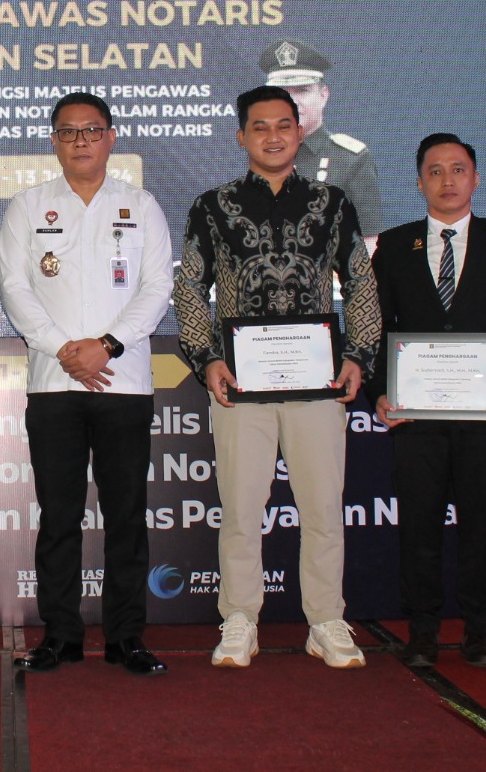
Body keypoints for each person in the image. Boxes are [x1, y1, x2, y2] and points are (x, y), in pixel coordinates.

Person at [174, 85, 380, 669]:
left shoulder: (333, 203)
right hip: (241, 385)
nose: (272, 136)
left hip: (318, 384)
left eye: (283, 125)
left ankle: (326, 620)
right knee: (242, 510)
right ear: (241, 136)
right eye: (259, 127)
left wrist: (358, 355)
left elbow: (360, 282)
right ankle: (240, 618)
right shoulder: (212, 206)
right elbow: (189, 286)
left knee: (323, 508)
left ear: (299, 131)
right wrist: (206, 358)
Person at [0, 92, 174, 676]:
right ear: (54, 141)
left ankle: (126, 637)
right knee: (59, 519)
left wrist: (108, 345)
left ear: (111, 138)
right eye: (69, 132)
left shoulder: (140, 205)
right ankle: (61, 635)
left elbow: (156, 287)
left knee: (126, 517)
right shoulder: (28, 206)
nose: (81, 141)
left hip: (123, 382)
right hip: (54, 384)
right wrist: (63, 349)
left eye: (91, 130)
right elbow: (14, 288)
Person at [371, 133, 486, 670]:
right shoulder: (394, 246)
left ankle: (480, 635)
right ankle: (422, 634)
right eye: (435, 171)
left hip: (483, 416)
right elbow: (374, 326)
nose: (447, 180)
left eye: (458, 169)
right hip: (416, 417)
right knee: (418, 529)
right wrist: (380, 390)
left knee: (480, 530)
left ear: (475, 178)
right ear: (418, 182)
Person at [259, 38, 383, 242]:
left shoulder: (350, 159)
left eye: (302, 90)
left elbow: (370, 240)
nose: (292, 101)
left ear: (323, 95)